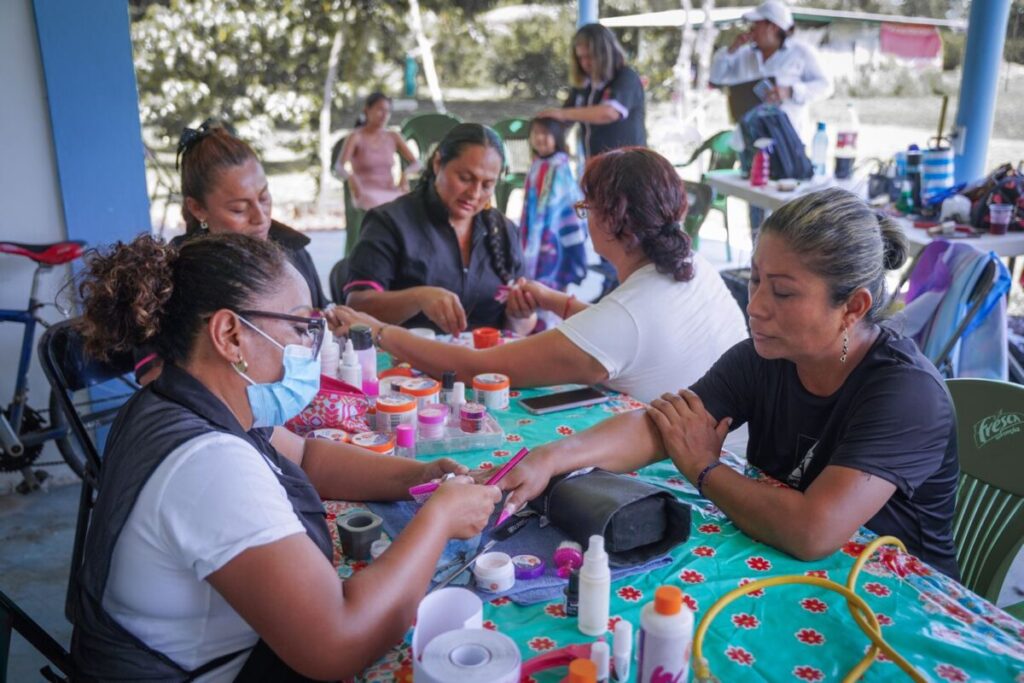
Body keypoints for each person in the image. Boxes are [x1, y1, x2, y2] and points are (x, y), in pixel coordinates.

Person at [70, 233, 500, 680]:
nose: (309, 347)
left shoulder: (183, 400)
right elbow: (337, 643)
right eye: (299, 328)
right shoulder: (208, 465)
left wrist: (423, 476)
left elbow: (309, 456)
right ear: (230, 335)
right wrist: (438, 521)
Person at [494, 188, 961, 579]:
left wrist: (706, 470)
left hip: (897, 600)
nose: (756, 306)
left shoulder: (905, 395)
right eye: (755, 281)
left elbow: (812, 531)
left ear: (853, 308)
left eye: (782, 292)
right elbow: (663, 427)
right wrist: (551, 458)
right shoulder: (768, 356)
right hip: (789, 569)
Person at [332, 148, 748, 405]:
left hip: (697, 476)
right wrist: (554, 301)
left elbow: (476, 369)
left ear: (611, 219)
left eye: (586, 209)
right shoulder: (693, 265)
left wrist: (380, 332)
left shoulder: (622, 321)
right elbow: (635, 337)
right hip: (735, 448)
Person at [343, 123, 534, 337]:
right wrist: (417, 298)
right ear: (437, 163)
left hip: (487, 365)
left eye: (487, 184)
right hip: (407, 363)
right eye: (465, 178)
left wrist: (520, 314)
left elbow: (520, 329)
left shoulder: (505, 231)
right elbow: (358, 306)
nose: (474, 193)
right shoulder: (390, 222)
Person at [174, 120, 330, 311]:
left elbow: (320, 311)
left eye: (263, 198)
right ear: (198, 208)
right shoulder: (181, 276)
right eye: (239, 209)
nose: (261, 218)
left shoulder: (293, 250)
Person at [709, 0, 832, 142]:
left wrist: (790, 91)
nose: (751, 30)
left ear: (772, 27)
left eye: (757, 24)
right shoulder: (743, 54)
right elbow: (716, 78)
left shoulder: (801, 52)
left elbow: (826, 86)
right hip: (749, 137)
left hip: (787, 140)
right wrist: (732, 50)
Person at [519, 117, 589, 329]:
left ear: (557, 138)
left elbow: (565, 206)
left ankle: (556, 328)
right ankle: (538, 326)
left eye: (546, 134)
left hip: (555, 236)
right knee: (538, 280)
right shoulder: (538, 164)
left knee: (556, 277)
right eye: (536, 133)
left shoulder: (559, 167)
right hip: (537, 235)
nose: (540, 138)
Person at [538, 23, 646, 160]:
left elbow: (608, 113)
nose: (585, 63)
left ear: (605, 53)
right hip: (596, 165)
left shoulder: (626, 78)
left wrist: (563, 114)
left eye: (589, 56)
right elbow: (564, 120)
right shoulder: (585, 85)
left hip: (629, 165)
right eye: (580, 58)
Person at [334, 92, 421, 211]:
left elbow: (417, 163)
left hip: (391, 190)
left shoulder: (393, 136)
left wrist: (405, 174)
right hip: (365, 193)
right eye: (380, 110)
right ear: (367, 110)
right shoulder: (356, 136)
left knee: (411, 204)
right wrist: (352, 178)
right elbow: (339, 166)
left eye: (388, 111)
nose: (384, 115)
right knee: (382, 208)